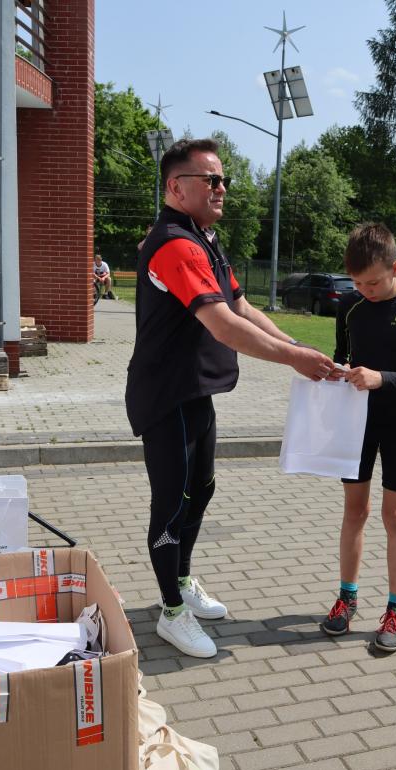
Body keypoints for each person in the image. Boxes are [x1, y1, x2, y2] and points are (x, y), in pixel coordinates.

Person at [125, 138, 339, 658]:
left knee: (202, 490)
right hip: (166, 397)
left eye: (224, 180)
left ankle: (182, 581)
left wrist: (297, 346)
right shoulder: (174, 244)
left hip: (196, 393)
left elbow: (240, 307)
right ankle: (171, 613)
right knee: (171, 504)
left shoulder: (205, 239)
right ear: (176, 187)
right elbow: (222, 325)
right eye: (211, 180)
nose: (221, 188)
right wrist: (293, 360)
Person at [321, 223, 396, 651]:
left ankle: (395, 608)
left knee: (395, 517)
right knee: (355, 511)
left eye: (373, 282)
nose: (364, 291)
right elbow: (342, 356)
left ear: (395, 268)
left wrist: (380, 378)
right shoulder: (349, 306)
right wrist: (332, 371)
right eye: (357, 283)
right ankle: (347, 597)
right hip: (357, 423)